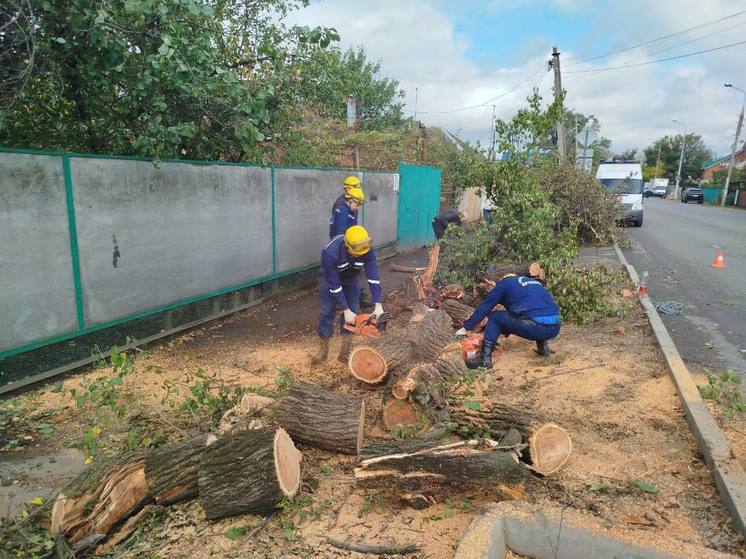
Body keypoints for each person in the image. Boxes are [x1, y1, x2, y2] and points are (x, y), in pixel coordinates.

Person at [311, 225, 385, 365]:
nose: (361, 254)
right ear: (347, 245)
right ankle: (323, 350)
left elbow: (373, 276)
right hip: (329, 278)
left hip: (350, 277)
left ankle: (345, 352)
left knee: (353, 311)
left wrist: (378, 304)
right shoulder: (330, 252)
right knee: (327, 310)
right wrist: (345, 309)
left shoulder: (365, 248)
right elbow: (335, 285)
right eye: (357, 252)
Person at [455, 273, 560, 368]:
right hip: (554, 328)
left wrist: (467, 327)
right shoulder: (534, 283)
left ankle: (485, 359)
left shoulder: (504, 284)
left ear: (503, 279)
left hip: (533, 328)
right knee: (535, 312)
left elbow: (485, 306)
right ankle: (544, 349)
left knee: (495, 317)